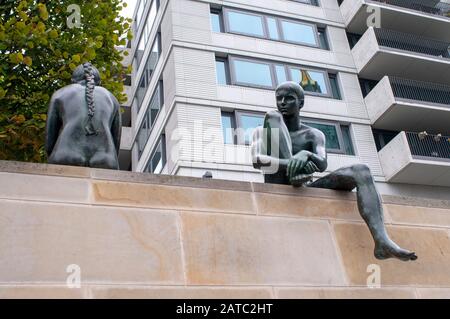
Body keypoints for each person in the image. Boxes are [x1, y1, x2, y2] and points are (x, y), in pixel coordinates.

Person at [252, 81, 417, 261]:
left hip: (304, 186)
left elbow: (322, 162)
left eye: (289, 98)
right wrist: (292, 163)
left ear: (301, 103)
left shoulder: (313, 134)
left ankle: (382, 240)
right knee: (272, 116)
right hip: (278, 185)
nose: (282, 102)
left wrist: (306, 154)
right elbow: (257, 160)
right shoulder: (264, 130)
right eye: (279, 99)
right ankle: (293, 173)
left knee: (361, 170)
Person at [45, 63, 122, 169]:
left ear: (73, 80)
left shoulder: (60, 94)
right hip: (105, 159)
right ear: (99, 82)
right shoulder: (112, 98)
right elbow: (116, 140)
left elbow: (50, 140)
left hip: (66, 155)